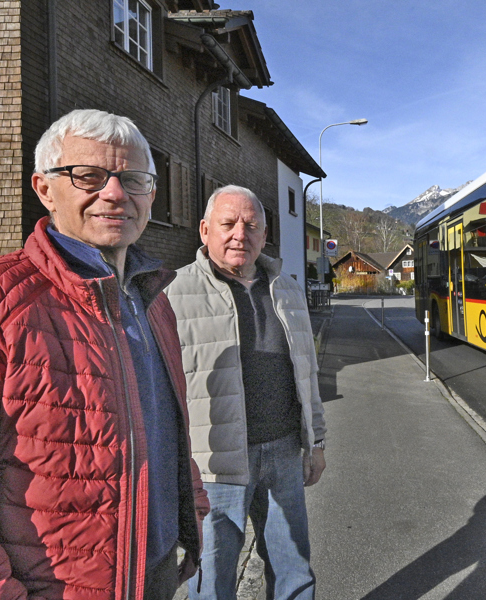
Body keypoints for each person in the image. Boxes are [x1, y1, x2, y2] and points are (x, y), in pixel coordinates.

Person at [0, 109, 208, 599]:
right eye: (89, 176)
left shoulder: (152, 300)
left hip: (157, 574)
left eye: (134, 179)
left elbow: (167, 428)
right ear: (43, 189)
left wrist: (192, 514)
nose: (116, 194)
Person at [166, 185, 327, 600]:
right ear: (204, 230)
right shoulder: (172, 293)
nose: (241, 233)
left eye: (251, 225)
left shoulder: (287, 288)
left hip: (284, 452)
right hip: (214, 463)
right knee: (212, 578)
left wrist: (317, 442)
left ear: (264, 233)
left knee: (294, 566)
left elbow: (308, 371)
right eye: (228, 223)